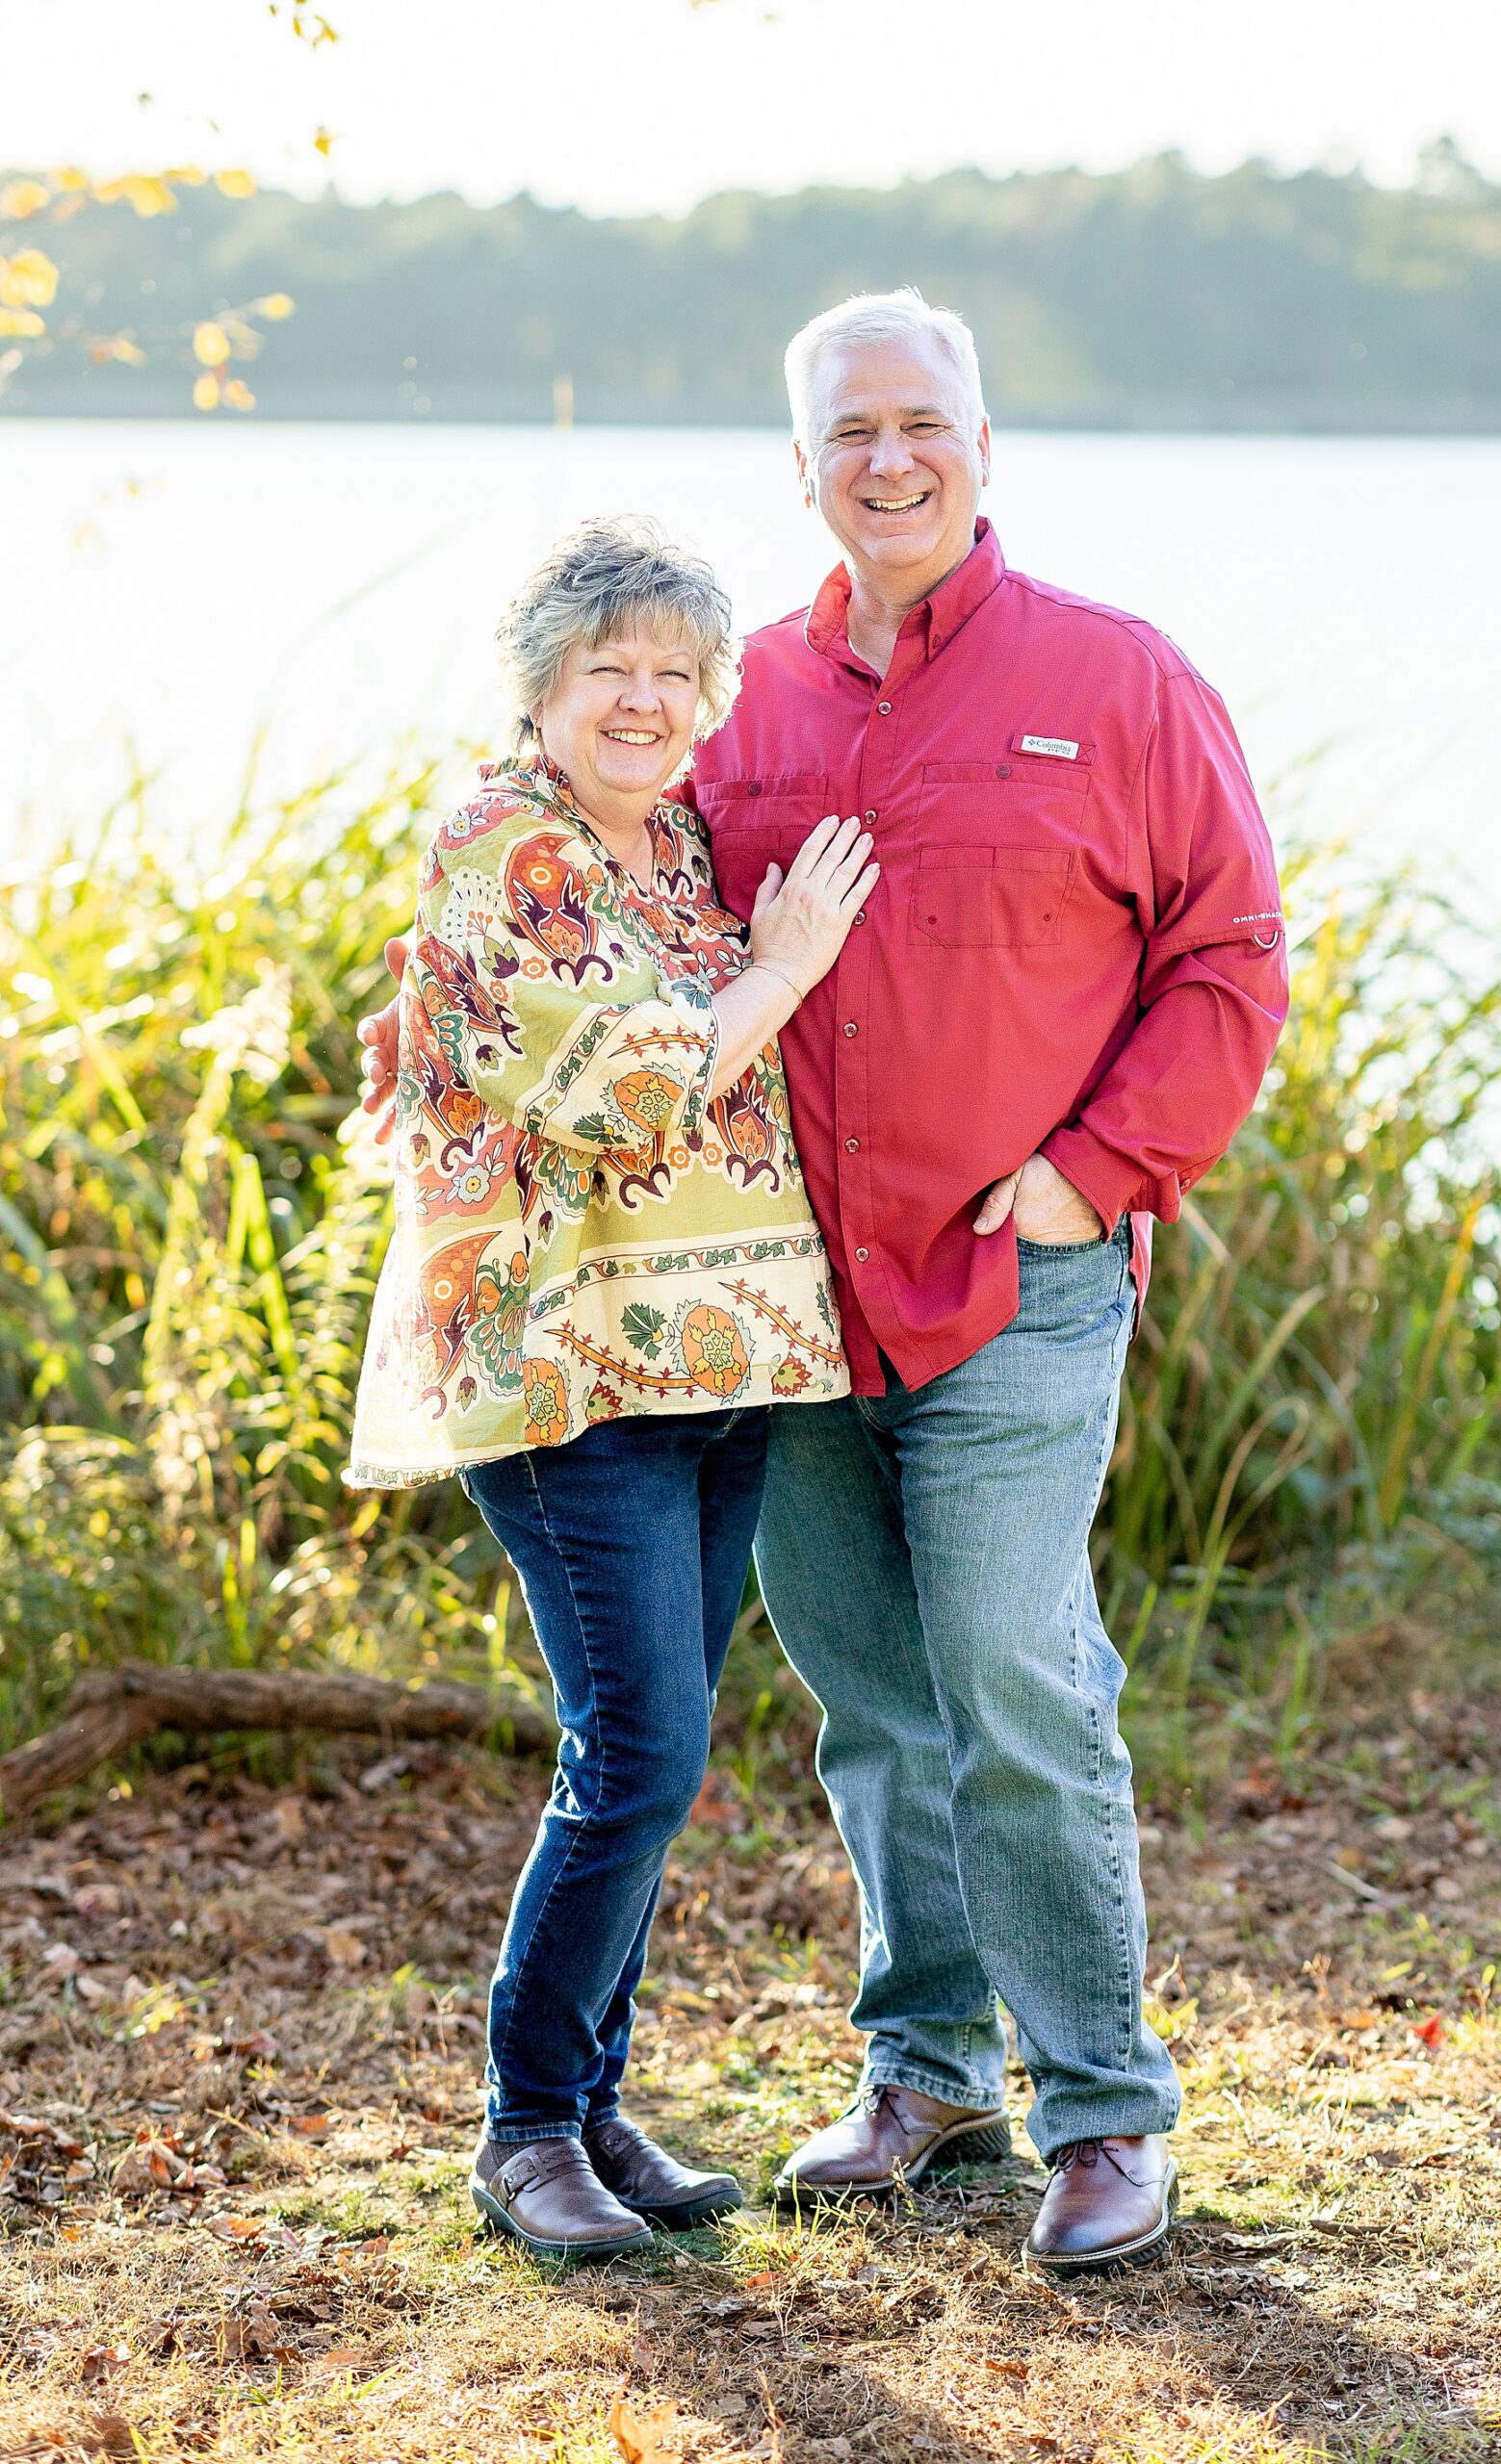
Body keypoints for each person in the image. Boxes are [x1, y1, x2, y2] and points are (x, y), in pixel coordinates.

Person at [359, 295, 1288, 2275]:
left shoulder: (1116, 679)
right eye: (846, 430)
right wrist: (423, 1018)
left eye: (918, 422)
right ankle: (924, 2067)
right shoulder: (736, 698)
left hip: (1015, 1284)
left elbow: (1228, 960)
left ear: (978, 440)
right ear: (800, 468)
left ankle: (1102, 2106)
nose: (886, 456)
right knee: (867, 1694)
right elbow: (579, 911)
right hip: (785, 1313)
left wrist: (1086, 1179)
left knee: (1017, 1677)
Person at [347, 515, 878, 2263]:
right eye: (608, 671)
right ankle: (522, 2132)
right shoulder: (507, 848)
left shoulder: (674, 852)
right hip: (570, 1373)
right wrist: (786, 964)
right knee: (640, 1754)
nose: (645, 699)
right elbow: (631, 1090)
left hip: (722, 1361)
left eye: (676, 672)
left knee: (653, 1748)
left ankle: (588, 2104)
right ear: (543, 689)